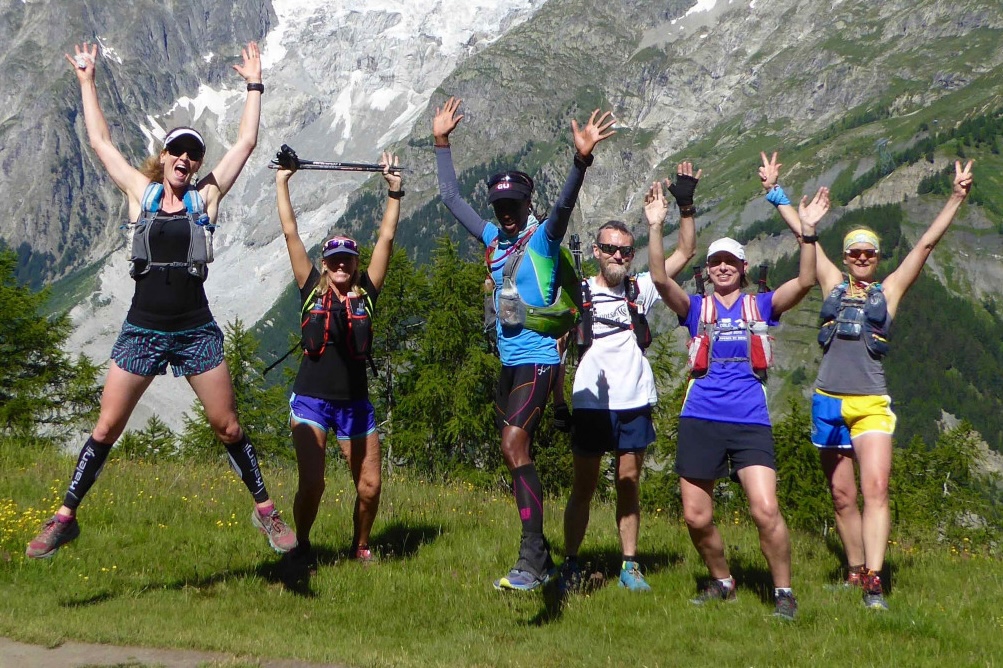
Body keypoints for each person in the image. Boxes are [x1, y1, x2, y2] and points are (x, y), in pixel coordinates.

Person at [26, 42, 296, 559]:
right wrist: (87, 81)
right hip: (142, 328)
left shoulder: (206, 197)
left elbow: (244, 142)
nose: (186, 160)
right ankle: (64, 516)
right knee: (106, 427)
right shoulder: (140, 192)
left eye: (193, 154)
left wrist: (254, 85)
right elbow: (102, 142)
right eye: (178, 152)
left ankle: (266, 511)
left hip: (195, 329)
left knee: (227, 425)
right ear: (164, 157)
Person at [760, 152, 974, 610]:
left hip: (871, 403)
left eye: (868, 252)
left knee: (875, 489)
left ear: (877, 258)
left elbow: (925, 248)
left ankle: (875, 580)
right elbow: (804, 235)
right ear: (845, 256)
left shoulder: (889, 290)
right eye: (854, 251)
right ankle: (855, 571)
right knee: (842, 496)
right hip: (827, 401)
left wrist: (956, 199)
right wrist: (775, 193)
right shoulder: (830, 281)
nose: (861, 258)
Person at [432, 96, 615, 591]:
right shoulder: (493, 239)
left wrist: (581, 160)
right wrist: (442, 142)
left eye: (513, 207)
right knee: (515, 453)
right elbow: (450, 199)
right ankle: (543, 559)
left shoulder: (543, 242)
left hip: (538, 361)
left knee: (515, 445)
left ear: (526, 205)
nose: (507, 215)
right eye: (501, 208)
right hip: (509, 364)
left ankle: (532, 558)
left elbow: (563, 207)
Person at [650, 164, 827, 619]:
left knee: (766, 510)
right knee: (695, 515)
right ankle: (722, 580)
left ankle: (783, 592)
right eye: (715, 262)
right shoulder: (695, 308)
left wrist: (807, 235)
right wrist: (656, 228)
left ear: (743, 268)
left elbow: (806, 282)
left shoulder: (762, 305)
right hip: (701, 416)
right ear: (708, 271)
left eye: (730, 261)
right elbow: (658, 279)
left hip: (750, 418)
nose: (722, 267)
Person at [560, 167, 699, 594]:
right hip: (589, 403)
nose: (618, 257)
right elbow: (558, 346)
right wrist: (554, 404)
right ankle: (570, 562)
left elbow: (686, 252)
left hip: (635, 400)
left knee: (628, 482)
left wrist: (682, 207)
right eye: (610, 249)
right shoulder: (578, 292)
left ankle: (629, 565)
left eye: (625, 251)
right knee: (582, 487)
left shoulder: (643, 288)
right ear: (598, 252)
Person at [274, 152, 402, 564]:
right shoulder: (310, 285)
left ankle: (360, 544)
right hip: (310, 400)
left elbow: (386, 238)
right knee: (312, 484)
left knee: (369, 486)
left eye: (347, 258)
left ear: (355, 262)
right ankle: (302, 544)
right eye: (334, 259)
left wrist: (394, 190)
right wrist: (282, 183)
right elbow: (291, 232)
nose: (341, 264)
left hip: (356, 405)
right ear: (325, 264)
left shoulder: (368, 290)